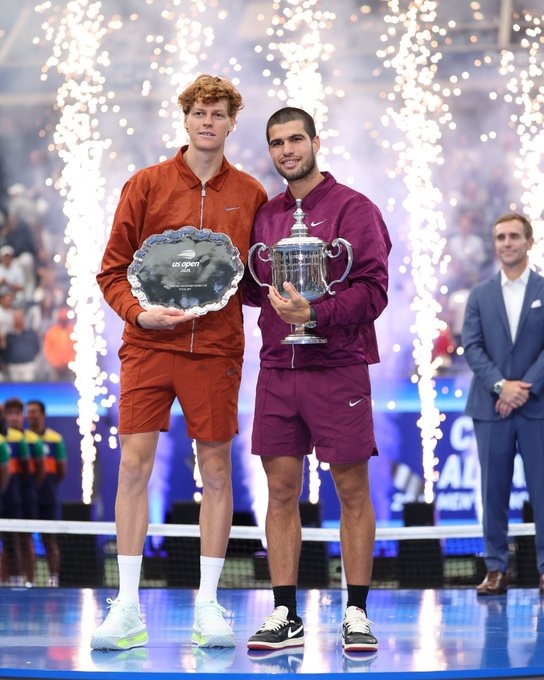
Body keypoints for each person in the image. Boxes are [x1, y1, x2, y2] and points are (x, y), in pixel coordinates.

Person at [92, 74, 267, 651]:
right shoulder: (145, 184)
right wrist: (138, 315)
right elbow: (111, 270)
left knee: (216, 472)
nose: (207, 121)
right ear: (186, 119)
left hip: (215, 350)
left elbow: (252, 281)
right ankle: (126, 607)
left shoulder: (251, 193)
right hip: (147, 347)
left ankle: (208, 605)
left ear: (232, 122)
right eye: (199, 112)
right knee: (132, 467)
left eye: (218, 113)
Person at [244, 107, 391, 654]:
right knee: (281, 490)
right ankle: (286, 612)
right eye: (277, 143)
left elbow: (374, 291)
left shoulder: (355, 208)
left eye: (295, 139)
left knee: (351, 490)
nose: (287, 151)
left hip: (338, 366)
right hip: (278, 367)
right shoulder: (265, 216)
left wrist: (315, 314)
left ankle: (357, 612)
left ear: (315, 142)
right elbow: (254, 289)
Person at [462, 212, 544, 596]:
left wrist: (523, 388)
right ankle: (496, 569)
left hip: (536, 407)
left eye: (514, 236)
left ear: (529, 241)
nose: (507, 243)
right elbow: (472, 347)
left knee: (542, 491)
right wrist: (501, 386)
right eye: (500, 237)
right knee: (493, 493)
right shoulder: (480, 294)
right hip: (490, 408)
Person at [26, 399, 67, 587]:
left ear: (43, 414)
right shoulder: (23, 438)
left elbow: (61, 472)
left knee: (49, 539)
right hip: (27, 498)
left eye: (34, 411)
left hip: (47, 497)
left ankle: (54, 579)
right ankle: (29, 580)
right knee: (26, 540)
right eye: (29, 412)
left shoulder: (55, 439)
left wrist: (46, 485)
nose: (31, 415)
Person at [4, 397, 44, 586]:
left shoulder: (32, 440)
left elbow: (38, 472)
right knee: (8, 540)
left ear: (23, 416)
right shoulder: (4, 439)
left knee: (25, 538)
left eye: (17, 414)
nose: (13, 418)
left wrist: (30, 489)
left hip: (26, 497)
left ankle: (29, 580)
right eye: (10, 414)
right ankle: (7, 580)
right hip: (9, 498)